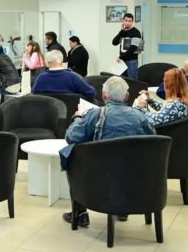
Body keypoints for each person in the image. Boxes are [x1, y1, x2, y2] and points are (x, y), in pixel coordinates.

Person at [60, 76, 155, 228]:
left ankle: (81, 213)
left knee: (71, 154)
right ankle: (122, 210)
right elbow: (153, 140)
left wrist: (77, 118)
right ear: (127, 96)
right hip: (135, 175)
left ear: (104, 95)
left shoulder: (95, 115)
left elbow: (71, 137)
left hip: (101, 176)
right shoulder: (140, 116)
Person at [112, 13, 141, 80]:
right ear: (123, 21)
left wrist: (121, 57)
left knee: (132, 82)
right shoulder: (123, 32)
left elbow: (133, 48)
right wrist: (122, 31)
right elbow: (114, 42)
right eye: (126, 20)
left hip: (132, 61)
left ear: (132, 22)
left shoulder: (136, 32)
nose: (127, 23)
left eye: (129, 21)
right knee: (122, 81)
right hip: (122, 62)